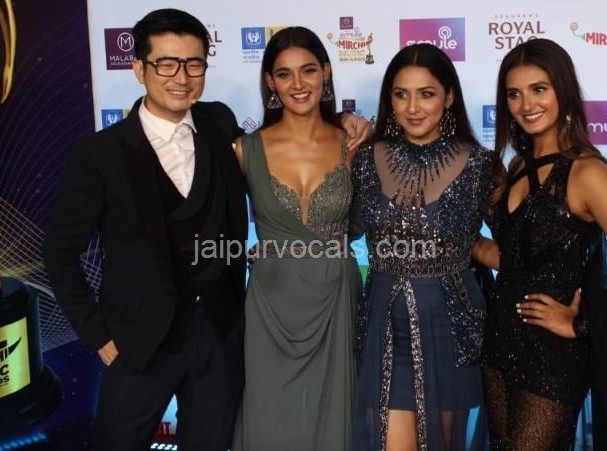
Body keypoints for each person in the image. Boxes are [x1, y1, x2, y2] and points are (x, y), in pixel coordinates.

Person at [44, 10, 368, 450]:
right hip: (140, 345)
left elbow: (289, 153)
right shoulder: (98, 154)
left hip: (222, 337)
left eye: (193, 63)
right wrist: (98, 335)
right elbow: (59, 252)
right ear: (139, 68)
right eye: (166, 64)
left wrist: (351, 121)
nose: (181, 77)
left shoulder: (219, 125)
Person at [477, 38, 607, 450]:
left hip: (552, 359)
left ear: (563, 91)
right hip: (498, 346)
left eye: (539, 89)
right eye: (514, 94)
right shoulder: (517, 167)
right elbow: (517, 260)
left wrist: (579, 323)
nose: (526, 104)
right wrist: (469, 246)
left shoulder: (586, 173)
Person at [350, 43, 492, 451]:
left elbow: (510, 244)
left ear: (449, 97)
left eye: (426, 94)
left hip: (451, 324)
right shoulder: (364, 159)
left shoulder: (480, 164)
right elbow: (341, 229)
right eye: (401, 94)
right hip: (382, 326)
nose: (412, 107)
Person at [230, 27, 360, 451]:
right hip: (270, 301)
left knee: (336, 418)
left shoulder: (355, 142)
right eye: (284, 74)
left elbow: (368, 221)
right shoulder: (243, 149)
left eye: (308, 70)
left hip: (336, 296)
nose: (298, 84)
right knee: (267, 415)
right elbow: (218, 227)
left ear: (326, 73)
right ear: (270, 81)